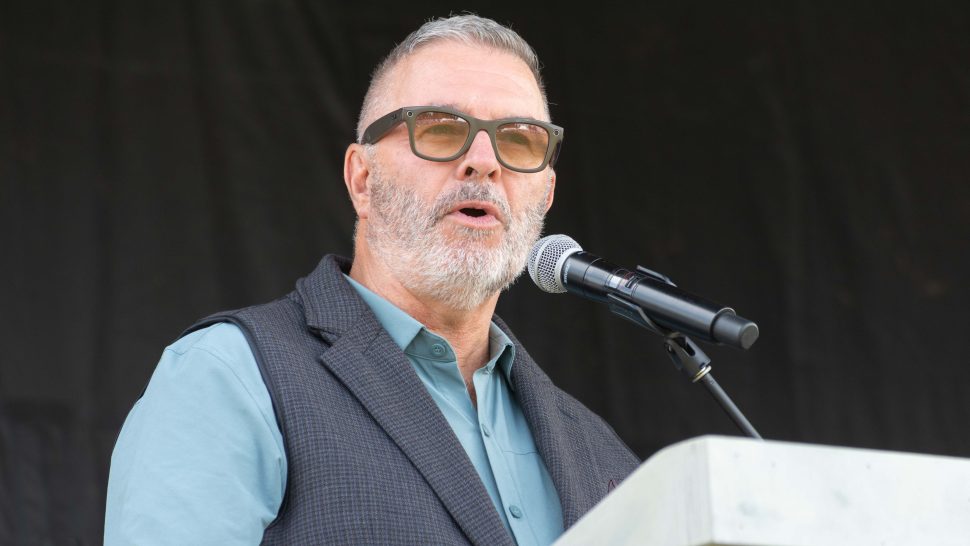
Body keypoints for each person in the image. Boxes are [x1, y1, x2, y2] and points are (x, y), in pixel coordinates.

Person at [105, 14, 639, 545]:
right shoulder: (230, 376)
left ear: (545, 195)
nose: (484, 162)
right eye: (441, 129)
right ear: (362, 179)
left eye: (519, 140)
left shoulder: (600, 453)